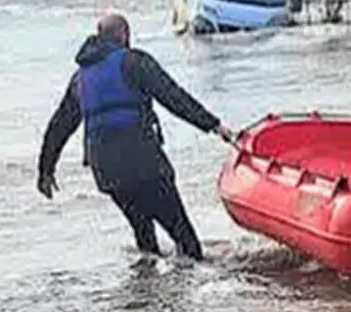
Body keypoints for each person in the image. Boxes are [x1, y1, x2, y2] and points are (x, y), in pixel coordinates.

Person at [36, 13, 236, 260]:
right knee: (185, 240)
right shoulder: (134, 63)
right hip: (143, 164)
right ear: (124, 35)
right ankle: (188, 290)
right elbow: (173, 97)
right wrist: (214, 125)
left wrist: (45, 171)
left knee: (144, 237)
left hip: (108, 173)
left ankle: (147, 294)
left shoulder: (80, 79)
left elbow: (60, 125)